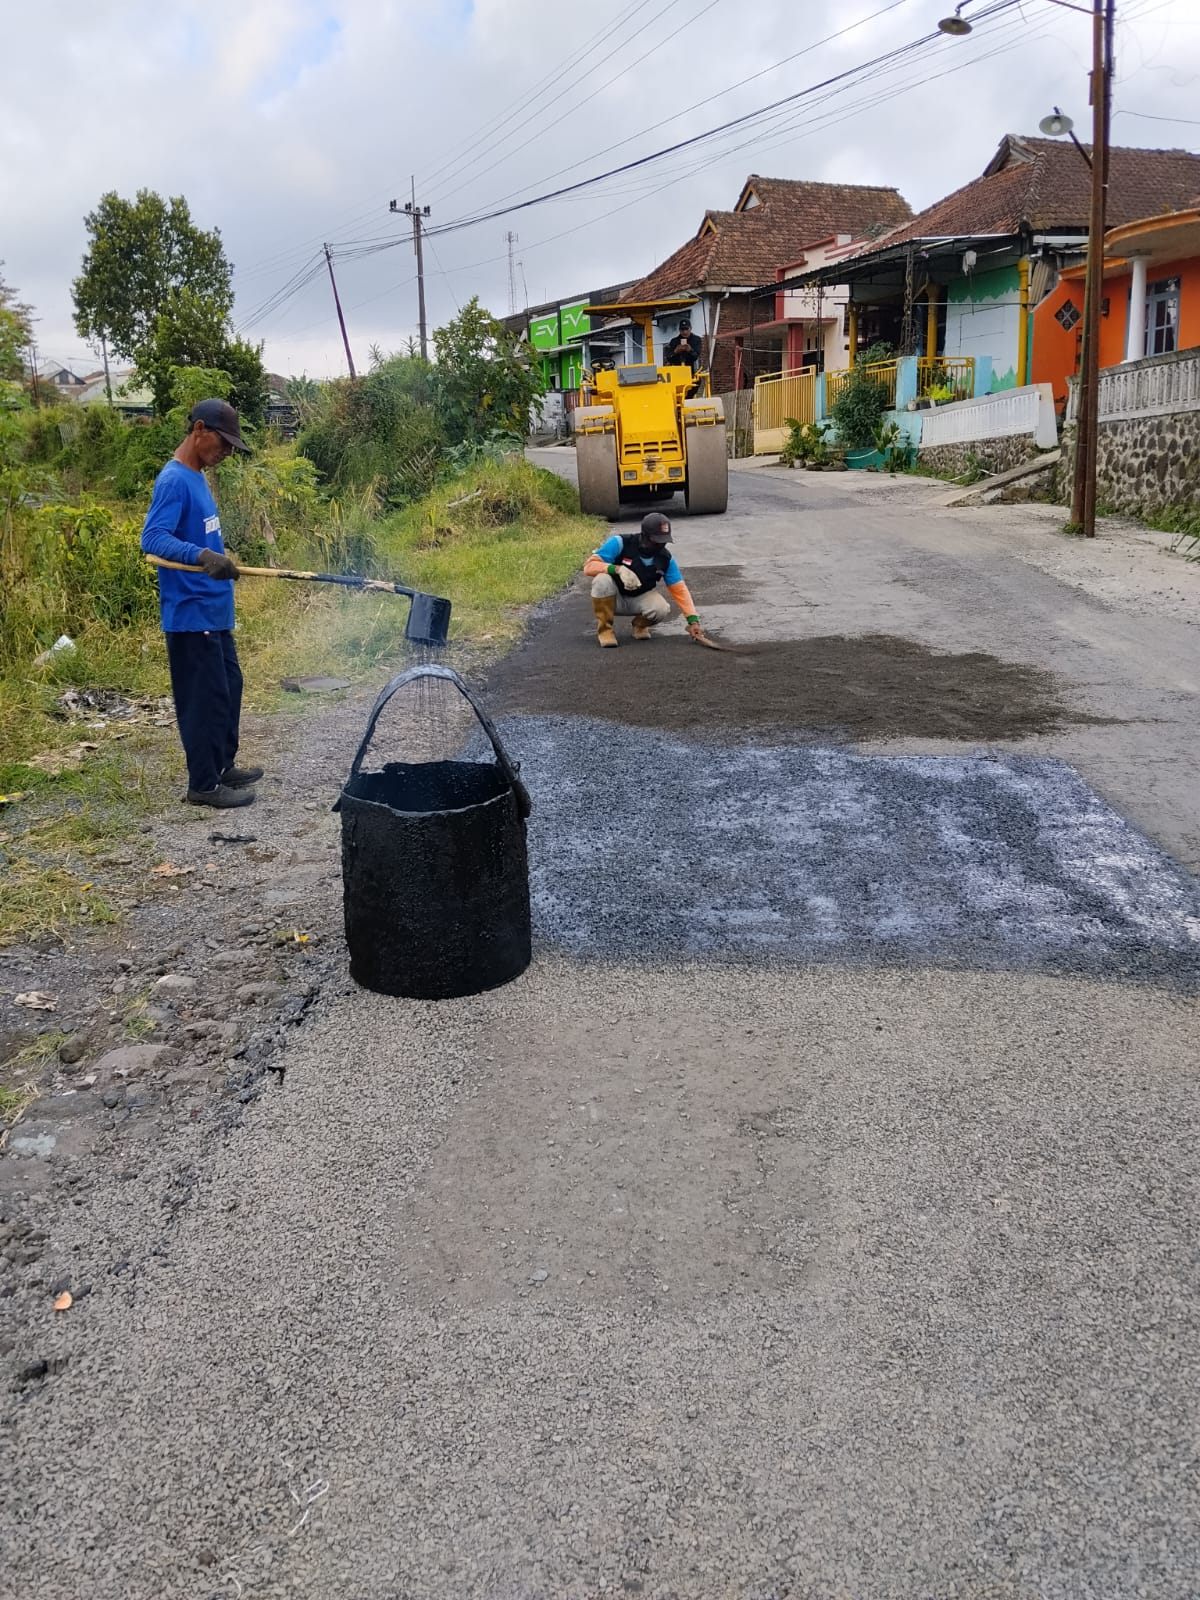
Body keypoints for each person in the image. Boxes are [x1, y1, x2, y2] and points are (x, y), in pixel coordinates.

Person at [140, 398, 262, 809]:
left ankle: (223, 766)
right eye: (223, 442)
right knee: (204, 699)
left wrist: (217, 558)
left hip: (214, 611)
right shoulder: (174, 480)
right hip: (191, 614)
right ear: (198, 430)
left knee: (229, 688)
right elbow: (153, 538)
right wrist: (202, 555)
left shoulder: (197, 476)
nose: (226, 452)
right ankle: (204, 785)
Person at [583, 511, 704, 648]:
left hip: (638, 600)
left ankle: (639, 625)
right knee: (601, 580)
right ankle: (605, 631)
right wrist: (617, 569)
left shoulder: (666, 559)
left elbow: (680, 590)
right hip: (612, 599)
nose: (660, 546)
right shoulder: (620, 543)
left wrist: (693, 622)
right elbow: (589, 567)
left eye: (663, 541)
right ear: (644, 536)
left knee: (661, 608)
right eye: (656, 541)